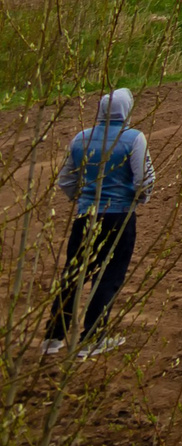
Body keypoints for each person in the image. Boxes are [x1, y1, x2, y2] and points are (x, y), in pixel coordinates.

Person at [45, 87, 155, 359]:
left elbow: (66, 180)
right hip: (119, 216)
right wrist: (139, 200)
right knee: (108, 275)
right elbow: (144, 179)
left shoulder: (80, 139)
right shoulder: (133, 138)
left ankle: (53, 337)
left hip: (86, 216)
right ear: (126, 110)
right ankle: (92, 337)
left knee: (73, 274)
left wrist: (81, 199)